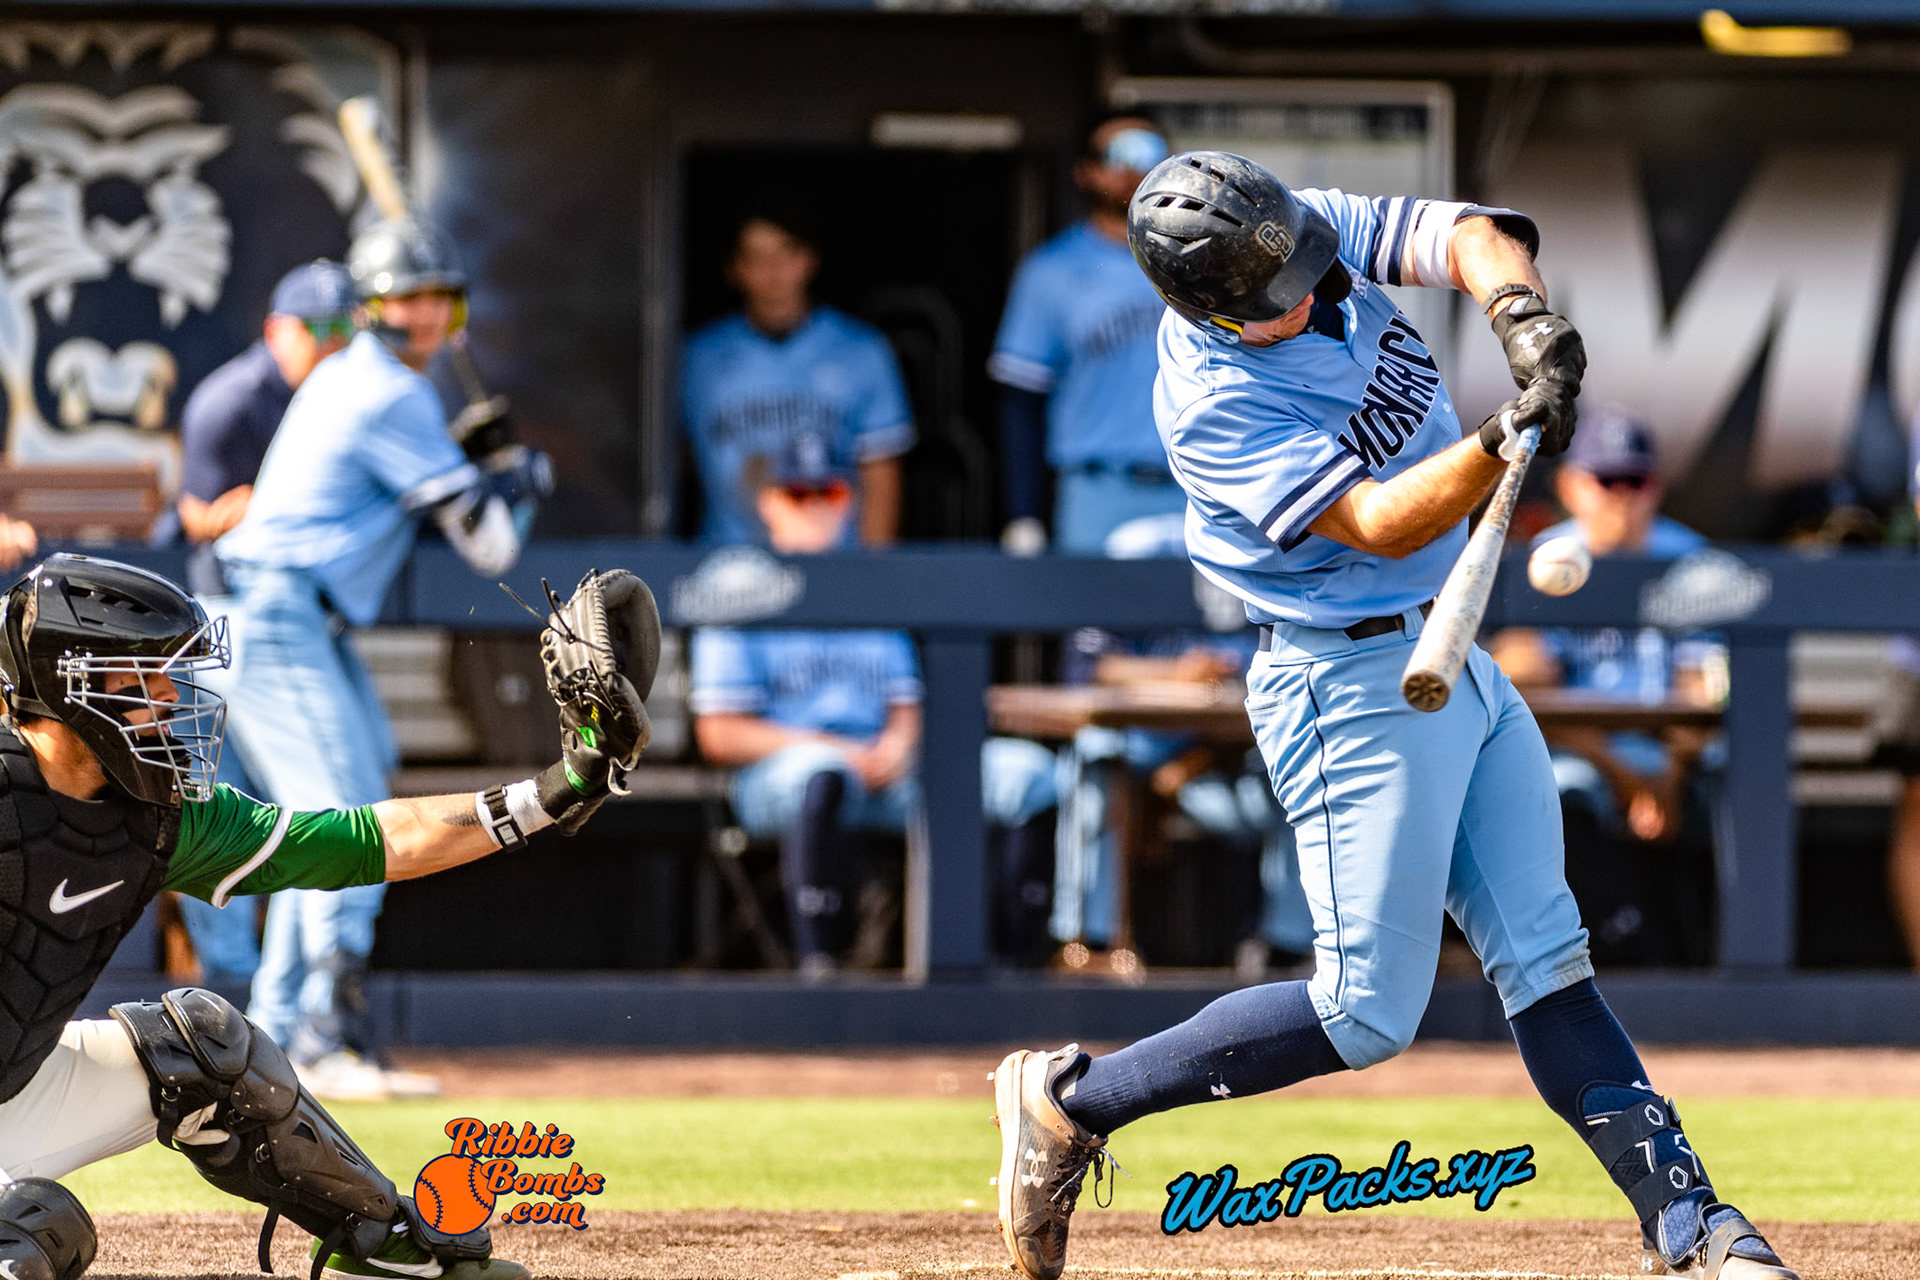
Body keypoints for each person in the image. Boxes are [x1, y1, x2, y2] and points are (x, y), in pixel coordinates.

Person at [990, 151, 1796, 1280]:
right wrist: (1495, 441)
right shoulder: (1213, 401)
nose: (1313, 295)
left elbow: (1467, 232)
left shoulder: (1293, 232)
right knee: (1366, 1010)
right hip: (1347, 681)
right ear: (1211, 308)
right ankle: (1075, 1100)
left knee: (1549, 960)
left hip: (1451, 651)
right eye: (1277, 301)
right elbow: (1377, 520)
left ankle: (1695, 1225)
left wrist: (1521, 319)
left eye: (1311, 271)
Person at [0, 552, 646, 1280]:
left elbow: (372, 840)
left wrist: (559, 788)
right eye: (144, 678)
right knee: (34, 1234)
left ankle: (379, 1241)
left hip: (14, 1089)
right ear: (68, 684)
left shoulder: (161, 819)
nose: (171, 699)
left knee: (209, 1050)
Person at [215, 218, 549, 1099]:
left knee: (335, 809)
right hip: (278, 613)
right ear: (371, 307)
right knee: (345, 821)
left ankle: (283, 1034)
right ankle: (321, 1038)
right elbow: (490, 549)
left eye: (438, 294)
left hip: (295, 619)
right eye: (407, 296)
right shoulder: (389, 393)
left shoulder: (361, 379)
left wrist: (477, 472)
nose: (426, 311)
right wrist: (513, 481)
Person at [689, 430, 1055, 976]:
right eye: (798, 495)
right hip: (785, 775)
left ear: (850, 499)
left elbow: (908, 705)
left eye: (828, 493)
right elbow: (720, 734)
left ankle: (1014, 966)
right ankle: (822, 965)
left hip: (888, 770)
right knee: (824, 771)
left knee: (1031, 773)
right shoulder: (740, 586)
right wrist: (838, 749)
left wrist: (900, 746)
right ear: (768, 504)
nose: (815, 509)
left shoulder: (872, 584)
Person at [171, 259, 357, 985]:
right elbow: (199, 516)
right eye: (318, 330)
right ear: (277, 331)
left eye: (345, 328)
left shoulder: (348, 401)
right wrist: (273, 506)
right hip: (216, 627)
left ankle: (285, 1000)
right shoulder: (233, 398)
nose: (333, 343)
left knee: (303, 810)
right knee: (215, 806)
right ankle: (231, 991)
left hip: (300, 627)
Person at [1489, 409, 1722, 965]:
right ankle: (1614, 954)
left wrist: (1667, 773)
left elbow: (1704, 690)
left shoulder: (1693, 559)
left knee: (1743, 791)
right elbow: (1528, 688)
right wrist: (1624, 776)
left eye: (1635, 480)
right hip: (1584, 749)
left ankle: (1726, 975)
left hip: (1674, 750)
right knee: (1554, 792)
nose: (1622, 495)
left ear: (1656, 488)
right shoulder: (1549, 554)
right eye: (1607, 480)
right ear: (1572, 486)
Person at [990, 118, 1180, 556]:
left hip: (1205, 484)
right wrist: (1023, 514)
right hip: (1100, 487)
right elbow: (1022, 400)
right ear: (1085, 171)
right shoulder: (1050, 271)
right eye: (1117, 156)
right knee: (1096, 625)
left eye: (1147, 152)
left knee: (1210, 625)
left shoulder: (1208, 259)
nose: (1134, 168)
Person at [682, 211, 914, 547]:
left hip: (836, 567)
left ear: (808, 260)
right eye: (757, 257)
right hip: (729, 573)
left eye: (786, 252)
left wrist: (872, 577)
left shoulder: (860, 349)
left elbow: (881, 474)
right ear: (735, 269)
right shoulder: (697, 357)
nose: (774, 271)